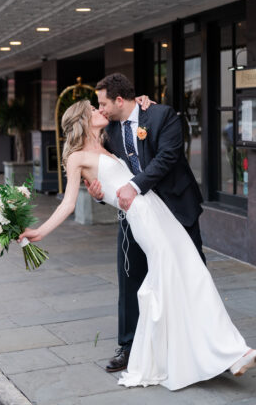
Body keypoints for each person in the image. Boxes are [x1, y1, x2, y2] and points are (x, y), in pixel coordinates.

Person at [19, 99, 256, 391]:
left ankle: (228, 352)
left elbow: (131, 150)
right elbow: (68, 204)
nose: (100, 110)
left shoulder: (107, 141)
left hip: (160, 211)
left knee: (195, 275)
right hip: (143, 219)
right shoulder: (76, 156)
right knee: (170, 282)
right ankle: (207, 356)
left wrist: (144, 102)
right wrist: (39, 231)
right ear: (83, 120)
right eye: (93, 109)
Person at [87, 73, 205, 374]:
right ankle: (128, 346)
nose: (100, 109)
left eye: (102, 103)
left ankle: (202, 341)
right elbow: (111, 173)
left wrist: (135, 186)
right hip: (136, 215)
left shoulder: (162, 115)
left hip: (177, 207)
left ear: (119, 100)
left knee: (192, 273)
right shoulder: (110, 131)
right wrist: (100, 195)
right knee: (129, 278)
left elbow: (167, 157)